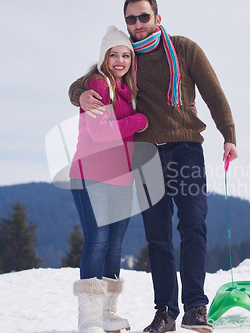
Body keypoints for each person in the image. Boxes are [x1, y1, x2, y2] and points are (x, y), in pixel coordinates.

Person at [69, 1, 238, 332]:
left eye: (143, 17)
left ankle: (195, 308)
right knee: (158, 236)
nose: (137, 24)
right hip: (145, 154)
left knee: (193, 225)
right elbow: (89, 80)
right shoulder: (124, 56)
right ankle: (165, 312)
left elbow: (213, 93)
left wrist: (228, 136)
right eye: (131, 19)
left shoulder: (184, 49)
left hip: (186, 147)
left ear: (157, 18)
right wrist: (78, 95)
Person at [70, 26, 148, 333]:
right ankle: (89, 319)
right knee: (98, 240)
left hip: (121, 178)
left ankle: (107, 313)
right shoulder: (98, 84)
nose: (120, 60)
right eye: (113, 54)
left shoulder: (129, 89)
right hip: (92, 174)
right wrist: (137, 121)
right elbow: (100, 132)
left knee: (115, 246)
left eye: (125, 55)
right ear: (104, 58)